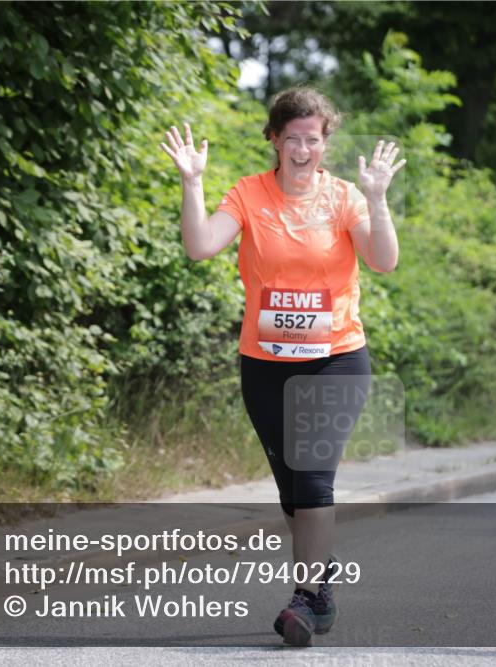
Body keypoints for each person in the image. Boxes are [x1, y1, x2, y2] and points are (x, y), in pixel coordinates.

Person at [160, 86, 405, 646]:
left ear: (325, 143)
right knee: (293, 494)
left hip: (336, 358)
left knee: (315, 480)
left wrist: (379, 198)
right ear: (273, 139)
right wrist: (192, 182)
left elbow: (384, 261)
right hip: (265, 364)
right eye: (291, 139)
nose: (301, 150)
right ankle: (321, 580)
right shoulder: (248, 194)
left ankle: (301, 597)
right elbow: (201, 246)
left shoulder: (345, 198)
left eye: (312, 140)